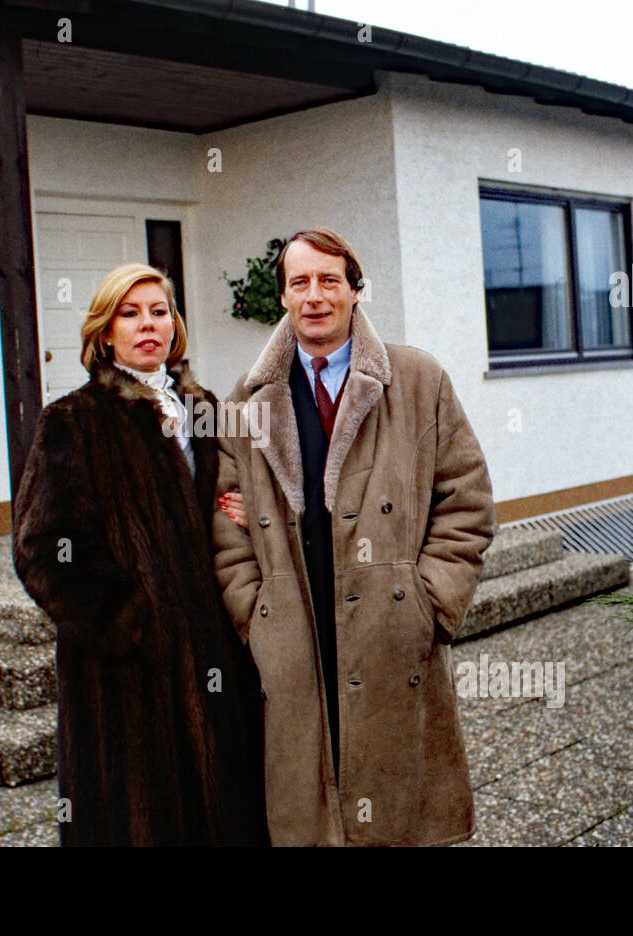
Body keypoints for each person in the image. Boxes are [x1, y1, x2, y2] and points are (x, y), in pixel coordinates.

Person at [212, 227, 497, 846]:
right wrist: (255, 615)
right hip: (295, 626)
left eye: (329, 280)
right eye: (299, 282)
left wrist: (429, 603)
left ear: (355, 291)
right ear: (283, 297)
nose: (315, 296)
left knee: (398, 807)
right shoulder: (245, 400)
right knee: (309, 808)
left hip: (389, 629)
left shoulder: (418, 380)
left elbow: (466, 502)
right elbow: (224, 527)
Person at [12, 262, 268, 847]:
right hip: (125, 680)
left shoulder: (205, 409)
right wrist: (129, 622)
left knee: (224, 810)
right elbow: (42, 549)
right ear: (105, 332)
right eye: (130, 314)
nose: (147, 325)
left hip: (216, 656)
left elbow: (239, 496)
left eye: (159, 312)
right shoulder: (75, 420)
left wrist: (248, 519)